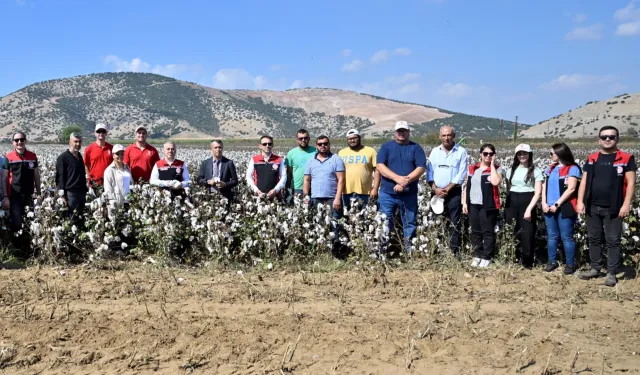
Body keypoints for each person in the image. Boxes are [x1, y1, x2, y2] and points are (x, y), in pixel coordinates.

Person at [577, 126, 637, 287]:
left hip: (615, 207)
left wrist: (626, 204)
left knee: (613, 240)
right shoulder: (592, 158)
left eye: (611, 136)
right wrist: (580, 201)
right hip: (592, 206)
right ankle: (595, 268)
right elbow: (584, 181)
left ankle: (611, 272)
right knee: (594, 238)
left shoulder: (626, 158)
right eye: (604, 137)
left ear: (617, 138)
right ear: (599, 140)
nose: (608, 139)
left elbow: (631, 183)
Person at [376, 121, 427, 253]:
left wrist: (406, 181)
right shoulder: (386, 147)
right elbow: (380, 166)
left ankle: (409, 252)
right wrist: (397, 179)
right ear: (395, 132)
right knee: (384, 222)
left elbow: (421, 167)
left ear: (409, 132)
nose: (401, 133)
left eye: (404, 131)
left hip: (409, 193)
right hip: (387, 193)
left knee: (409, 223)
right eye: (399, 131)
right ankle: (382, 251)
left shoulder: (416, 148)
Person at [426, 125, 468, 258]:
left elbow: (461, 174)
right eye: (444, 135)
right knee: (436, 221)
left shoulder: (461, 152)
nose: (446, 138)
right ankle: (436, 250)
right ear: (440, 136)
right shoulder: (434, 151)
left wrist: (447, 189)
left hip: (453, 192)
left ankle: (453, 252)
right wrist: (435, 188)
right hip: (436, 193)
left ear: (454, 136)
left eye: (449, 135)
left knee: (454, 222)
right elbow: (429, 172)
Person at [542, 143, 581, 275]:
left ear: (560, 153)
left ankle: (570, 264)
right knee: (552, 236)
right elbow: (544, 187)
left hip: (565, 207)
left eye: (552, 153)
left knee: (566, 237)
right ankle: (551, 261)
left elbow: (571, 189)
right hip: (548, 207)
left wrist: (557, 204)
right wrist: (544, 203)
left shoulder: (572, 168)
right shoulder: (550, 168)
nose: (550, 155)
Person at [462, 144, 504, 268]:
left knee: (488, 231)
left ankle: (487, 256)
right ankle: (477, 255)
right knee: (475, 231)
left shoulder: (498, 169)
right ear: (480, 154)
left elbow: (496, 182)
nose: (488, 156)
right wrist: (465, 202)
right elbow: (467, 186)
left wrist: (491, 165)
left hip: (489, 205)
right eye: (485, 154)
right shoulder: (472, 168)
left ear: (494, 155)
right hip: (473, 204)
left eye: (491, 154)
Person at [303, 136, 345, 253]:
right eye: (320, 144)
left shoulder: (336, 159)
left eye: (325, 143)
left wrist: (337, 198)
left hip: (332, 198)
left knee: (334, 224)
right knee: (318, 224)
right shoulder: (311, 161)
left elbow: (341, 180)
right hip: (315, 198)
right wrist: (306, 197)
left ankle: (336, 251)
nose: (323, 146)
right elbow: (307, 180)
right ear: (316, 146)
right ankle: (321, 251)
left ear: (329, 144)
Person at [505, 144, 543, 268]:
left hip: (528, 200)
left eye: (525, 153)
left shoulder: (536, 171)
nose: (522, 156)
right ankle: (514, 259)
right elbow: (508, 186)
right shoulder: (511, 170)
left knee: (527, 233)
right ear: (516, 155)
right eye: (520, 154)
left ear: (529, 154)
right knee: (513, 231)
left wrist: (528, 209)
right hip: (512, 200)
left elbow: (537, 193)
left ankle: (527, 263)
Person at [2, 132, 42, 236]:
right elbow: (4, 178)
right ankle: (17, 247)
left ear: (25, 141)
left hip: (29, 195)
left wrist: (39, 194)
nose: (19, 142)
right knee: (17, 223)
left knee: (31, 221)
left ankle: (29, 247)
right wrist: (5, 197)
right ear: (13, 143)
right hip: (14, 195)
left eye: (22, 139)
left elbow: (36, 175)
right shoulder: (8, 158)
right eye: (16, 140)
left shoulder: (33, 156)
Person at [338, 129, 379, 210]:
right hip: (345, 192)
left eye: (355, 138)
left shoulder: (370, 151)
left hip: (365, 192)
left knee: (365, 218)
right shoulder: (341, 153)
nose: (352, 140)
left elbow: (377, 171)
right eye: (350, 139)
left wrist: (375, 188)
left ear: (359, 138)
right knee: (347, 218)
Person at [56, 132, 88, 227]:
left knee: (80, 219)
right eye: (75, 141)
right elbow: (60, 177)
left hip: (81, 192)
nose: (78, 144)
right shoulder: (63, 158)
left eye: (80, 142)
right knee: (72, 219)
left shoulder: (79, 157)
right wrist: (62, 195)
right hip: (71, 194)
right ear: (70, 142)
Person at [197, 140, 238, 209]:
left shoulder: (229, 163)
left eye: (220, 147)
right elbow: (199, 179)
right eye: (215, 147)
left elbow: (235, 181)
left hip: (225, 197)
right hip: (208, 197)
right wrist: (208, 182)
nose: (218, 149)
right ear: (211, 149)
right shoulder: (205, 163)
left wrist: (224, 184)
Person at [285, 129, 316, 196]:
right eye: (300, 138)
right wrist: (287, 188)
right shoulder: (291, 153)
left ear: (309, 139)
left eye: (305, 138)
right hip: (297, 188)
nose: (303, 140)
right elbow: (289, 173)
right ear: (297, 140)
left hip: (314, 187)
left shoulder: (316, 151)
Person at [103, 144, 132, 208]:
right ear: (113, 155)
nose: (120, 156)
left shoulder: (127, 167)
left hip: (128, 201)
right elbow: (108, 190)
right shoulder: (109, 170)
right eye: (117, 154)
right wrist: (112, 204)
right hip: (116, 203)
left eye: (122, 153)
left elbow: (131, 183)